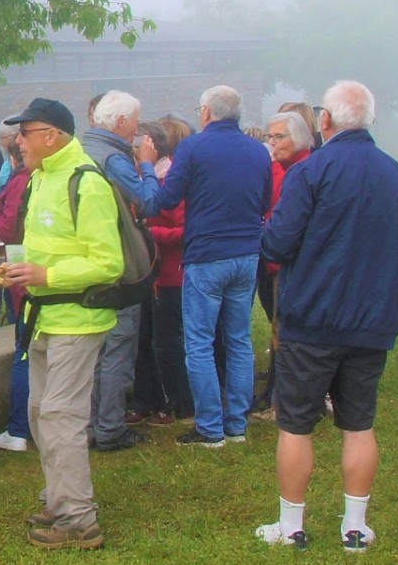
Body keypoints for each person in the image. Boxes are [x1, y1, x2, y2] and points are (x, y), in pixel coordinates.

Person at [256, 81, 398, 553]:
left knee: (296, 423)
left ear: (324, 120)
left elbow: (276, 244)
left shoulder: (310, 174)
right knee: (358, 423)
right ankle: (355, 525)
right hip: (373, 318)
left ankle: (292, 526)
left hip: (312, 316)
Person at [0, 97, 123, 551]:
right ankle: (59, 496)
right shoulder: (39, 180)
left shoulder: (87, 183)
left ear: (51, 135)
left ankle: (78, 520)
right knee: (38, 411)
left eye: (24, 133)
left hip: (79, 318)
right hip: (43, 315)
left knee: (60, 415)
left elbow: (108, 263)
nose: (17, 142)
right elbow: (46, 244)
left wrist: (47, 276)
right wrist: (19, 270)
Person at [151, 85, 272, 448]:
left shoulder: (193, 147)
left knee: (200, 343)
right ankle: (236, 423)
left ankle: (209, 427)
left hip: (206, 254)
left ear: (206, 112)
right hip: (247, 253)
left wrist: (144, 170)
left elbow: (167, 198)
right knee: (239, 340)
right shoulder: (257, 150)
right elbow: (264, 201)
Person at [79, 90, 163, 452]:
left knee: (96, 350)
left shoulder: (82, 149)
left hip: (87, 258)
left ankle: (94, 424)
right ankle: (110, 427)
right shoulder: (114, 157)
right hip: (118, 260)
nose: (137, 128)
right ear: (122, 122)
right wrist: (146, 164)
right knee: (118, 347)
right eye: (135, 120)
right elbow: (149, 202)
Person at [254, 109, 315, 419]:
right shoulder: (281, 168)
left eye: (280, 137)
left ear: (300, 138)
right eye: (270, 137)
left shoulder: (305, 170)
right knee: (281, 330)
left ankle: (287, 404)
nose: (273, 143)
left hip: (292, 263)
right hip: (277, 261)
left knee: (288, 334)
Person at [0, 136, 35, 453]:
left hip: (26, 275)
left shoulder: (22, 181)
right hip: (44, 276)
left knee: (24, 352)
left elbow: (9, 230)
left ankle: (18, 429)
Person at [135, 119, 190, 427]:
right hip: (151, 274)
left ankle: (180, 403)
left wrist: (149, 233)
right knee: (147, 340)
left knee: (168, 343)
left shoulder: (171, 181)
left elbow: (185, 229)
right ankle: (152, 401)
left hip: (171, 274)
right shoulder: (149, 180)